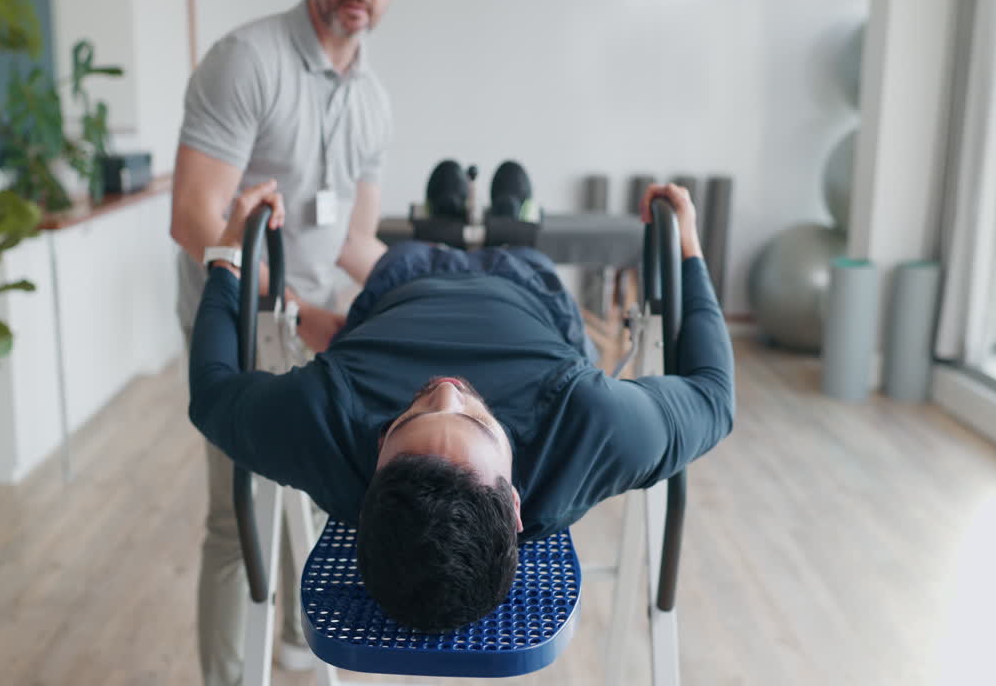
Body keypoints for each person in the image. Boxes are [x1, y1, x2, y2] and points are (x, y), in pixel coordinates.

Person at [190, 182, 736, 631]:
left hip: (406, 277)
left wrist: (227, 254)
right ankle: (506, 208)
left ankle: (449, 204)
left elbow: (212, 393)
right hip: (524, 281)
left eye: (412, 415)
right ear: (516, 505)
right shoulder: (589, 422)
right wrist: (688, 247)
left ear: (372, 473)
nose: (448, 388)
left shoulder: (322, 420)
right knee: (514, 200)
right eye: (477, 421)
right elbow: (714, 396)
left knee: (441, 201)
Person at [169, 0, 400, 682]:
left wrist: (430, 285)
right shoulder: (248, 61)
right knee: (238, 516)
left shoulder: (372, 101)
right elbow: (197, 220)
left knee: (320, 492)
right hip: (237, 323)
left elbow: (354, 243)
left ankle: (302, 640)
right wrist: (298, 311)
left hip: (315, 323)